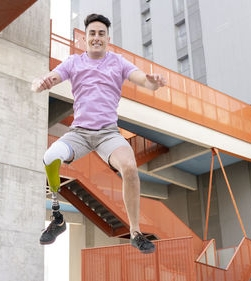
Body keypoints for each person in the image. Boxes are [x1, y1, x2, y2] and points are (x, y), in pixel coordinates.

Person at [31, 13, 166, 254]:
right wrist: (43, 82)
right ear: (85, 39)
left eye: (101, 34)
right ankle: (57, 217)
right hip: (80, 133)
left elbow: (143, 80)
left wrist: (152, 82)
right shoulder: (74, 62)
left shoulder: (118, 62)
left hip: (107, 134)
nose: (96, 37)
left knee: (131, 168)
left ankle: (135, 232)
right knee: (50, 157)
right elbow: (54, 76)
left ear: (107, 39)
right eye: (92, 33)